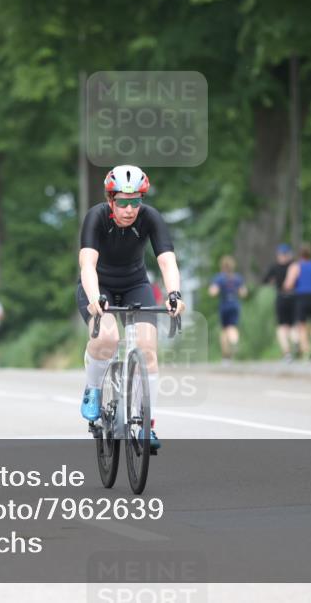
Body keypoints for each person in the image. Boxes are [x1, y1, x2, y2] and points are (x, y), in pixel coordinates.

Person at [77, 165, 186, 454]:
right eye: (123, 202)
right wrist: (94, 297)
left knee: (147, 349)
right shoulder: (96, 217)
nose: (129, 209)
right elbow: (87, 264)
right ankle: (93, 388)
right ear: (110, 199)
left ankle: (146, 424)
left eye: (135, 202)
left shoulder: (150, 218)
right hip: (98, 285)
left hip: (135, 284)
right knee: (108, 338)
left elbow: (167, 261)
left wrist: (174, 294)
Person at [262, 244, 298, 362]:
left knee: (282, 327)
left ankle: (287, 353)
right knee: (293, 325)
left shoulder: (275, 267)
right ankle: (296, 341)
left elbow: (265, 280)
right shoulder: (294, 266)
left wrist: (274, 281)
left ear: (279, 255)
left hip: (281, 298)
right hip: (294, 297)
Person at [209, 255, 247, 363]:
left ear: (222, 266)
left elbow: (213, 292)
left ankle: (226, 357)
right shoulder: (237, 278)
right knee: (233, 327)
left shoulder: (219, 278)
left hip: (224, 306)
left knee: (224, 330)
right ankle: (234, 342)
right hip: (235, 305)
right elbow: (243, 293)